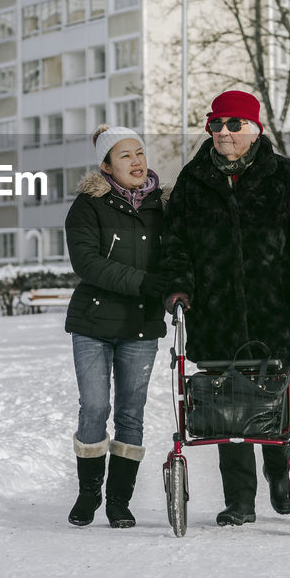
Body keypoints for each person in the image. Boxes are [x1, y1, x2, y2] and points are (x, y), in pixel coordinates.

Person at [160, 89, 290, 526]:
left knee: (272, 400)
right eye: (216, 124)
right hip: (214, 314)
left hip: (271, 311)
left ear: (254, 130)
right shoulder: (193, 180)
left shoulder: (282, 176)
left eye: (234, 125)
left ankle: (279, 478)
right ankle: (239, 500)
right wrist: (178, 287)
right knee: (226, 405)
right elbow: (174, 244)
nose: (224, 133)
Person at [63, 124, 173, 528]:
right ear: (107, 166)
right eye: (125, 155)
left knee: (131, 414)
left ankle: (118, 501)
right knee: (94, 408)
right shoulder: (89, 206)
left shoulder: (163, 206)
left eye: (140, 153)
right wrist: (144, 282)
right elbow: (87, 263)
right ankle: (89, 493)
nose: (137, 161)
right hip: (93, 322)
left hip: (141, 324)